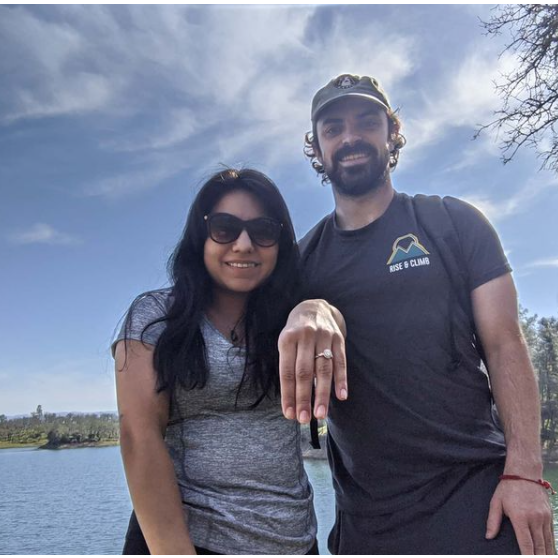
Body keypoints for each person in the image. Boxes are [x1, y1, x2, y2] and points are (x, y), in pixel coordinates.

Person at [278, 74, 555, 554]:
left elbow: (505, 344)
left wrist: (526, 475)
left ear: (392, 133)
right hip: (368, 523)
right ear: (317, 149)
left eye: (367, 122)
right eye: (333, 128)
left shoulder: (453, 222)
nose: (350, 137)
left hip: (479, 499)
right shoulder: (301, 264)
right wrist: (304, 307)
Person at [112, 168, 318, 555]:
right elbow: (139, 437)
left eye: (263, 231)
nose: (244, 245)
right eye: (225, 228)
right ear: (200, 236)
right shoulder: (156, 317)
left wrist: (318, 309)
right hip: (190, 542)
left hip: (295, 541)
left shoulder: (293, 320)